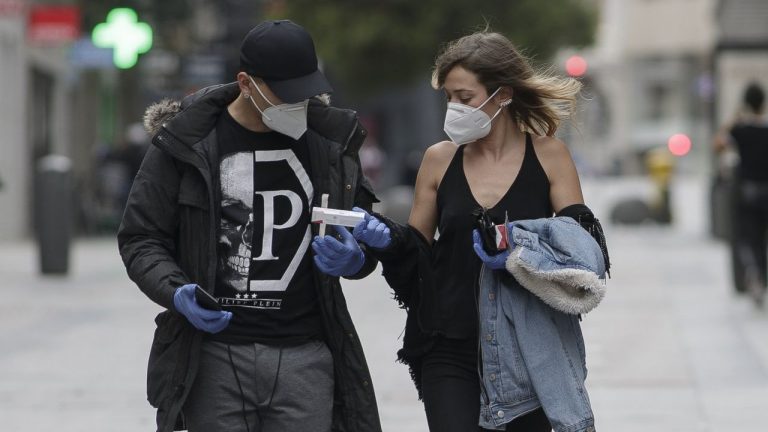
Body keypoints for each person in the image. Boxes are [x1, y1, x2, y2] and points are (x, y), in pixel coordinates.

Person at [118, 20, 382, 432]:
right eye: (285, 94)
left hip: (305, 356)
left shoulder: (329, 141)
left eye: (306, 91)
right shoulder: (186, 142)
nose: (299, 103)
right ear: (246, 84)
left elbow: (363, 233)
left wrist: (357, 257)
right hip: (214, 356)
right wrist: (175, 291)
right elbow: (141, 237)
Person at [350, 31, 608, 431]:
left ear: (502, 95)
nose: (454, 108)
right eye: (449, 97)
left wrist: (522, 251)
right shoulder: (438, 160)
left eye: (465, 97)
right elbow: (416, 254)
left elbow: (582, 253)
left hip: (530, 348)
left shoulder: (550, 156)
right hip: (449, 346)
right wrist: (385, 239)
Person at [714, 82, 768, 307]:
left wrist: (736, 115)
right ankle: (761, 275)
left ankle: (756, 275)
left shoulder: (741, 130)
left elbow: (719, 144)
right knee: (762, 238)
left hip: (748, 192)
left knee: (750, 238)